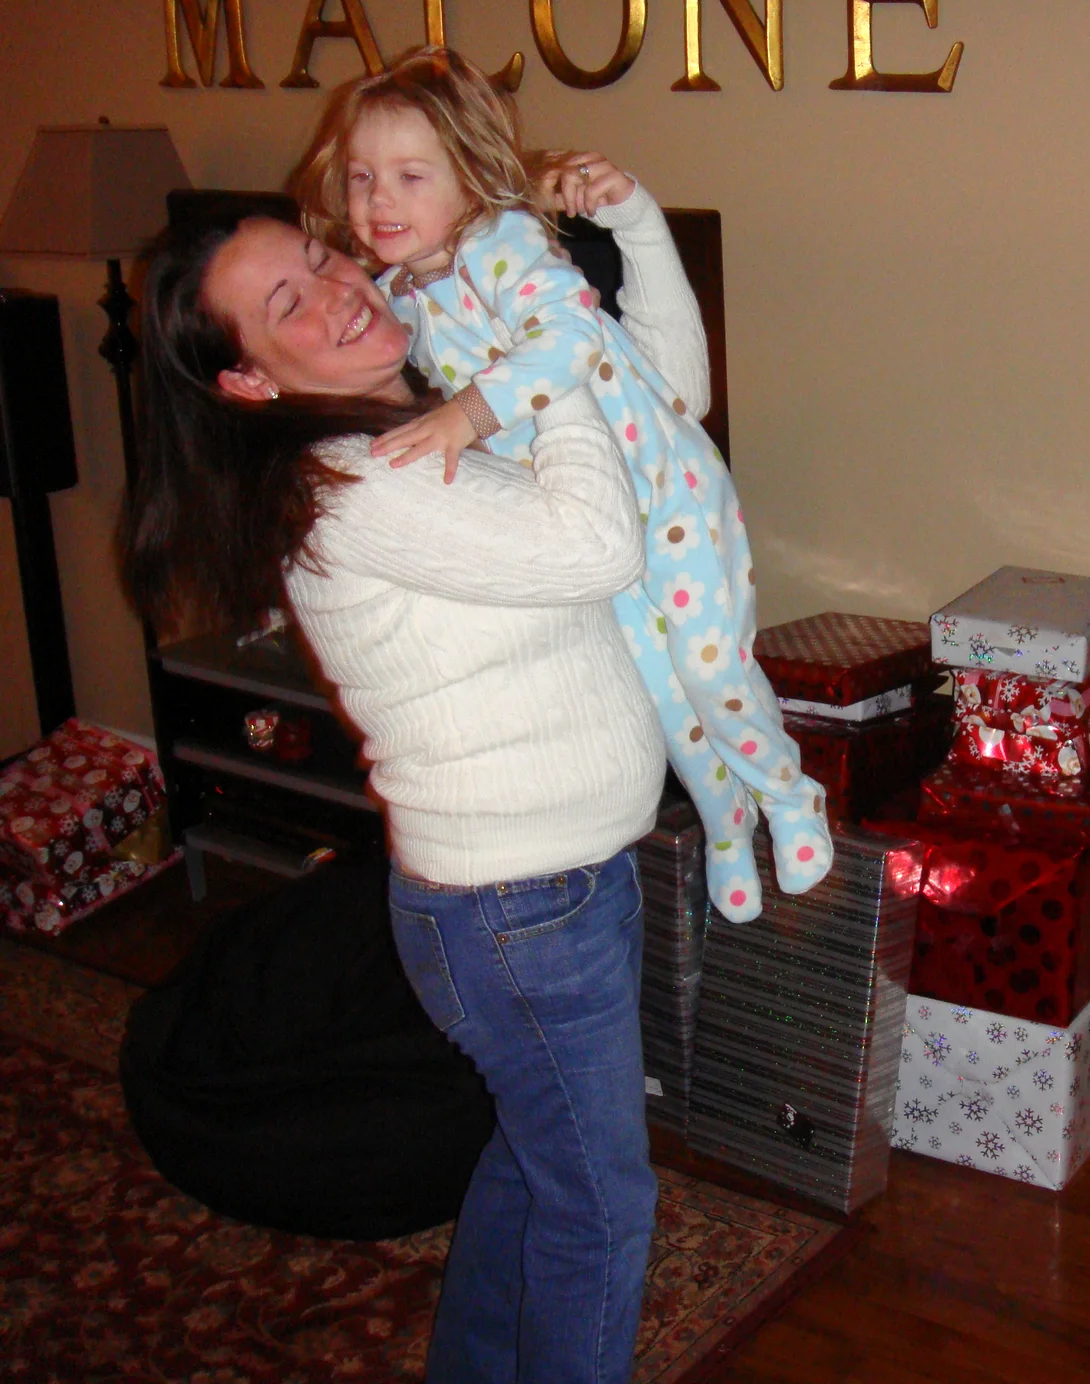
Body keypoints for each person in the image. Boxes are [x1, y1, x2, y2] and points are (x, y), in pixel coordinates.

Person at [124, 189, 685, 1383]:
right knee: (599, 1207)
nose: (338, 289)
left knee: (532, 1163)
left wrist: (594, 280)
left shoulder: (419, 427)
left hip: (546, 887)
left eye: (321, 258)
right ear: (249, 380)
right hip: (523, 903)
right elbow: (600, 547)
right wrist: (554, 361)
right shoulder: (352, 481)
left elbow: (646, 427)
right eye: (288, 303)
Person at [291, 46, 833, 925]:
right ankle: (727, 824)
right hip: (591, 511)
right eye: (361, 178)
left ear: (469, 178)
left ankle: (787, 795)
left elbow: (569, 338)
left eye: (409, 177)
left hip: (667, 484)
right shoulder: (400, 296)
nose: (379, 200)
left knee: (710, 669)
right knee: (660, 695)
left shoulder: (500, 246)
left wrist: (466, 415)